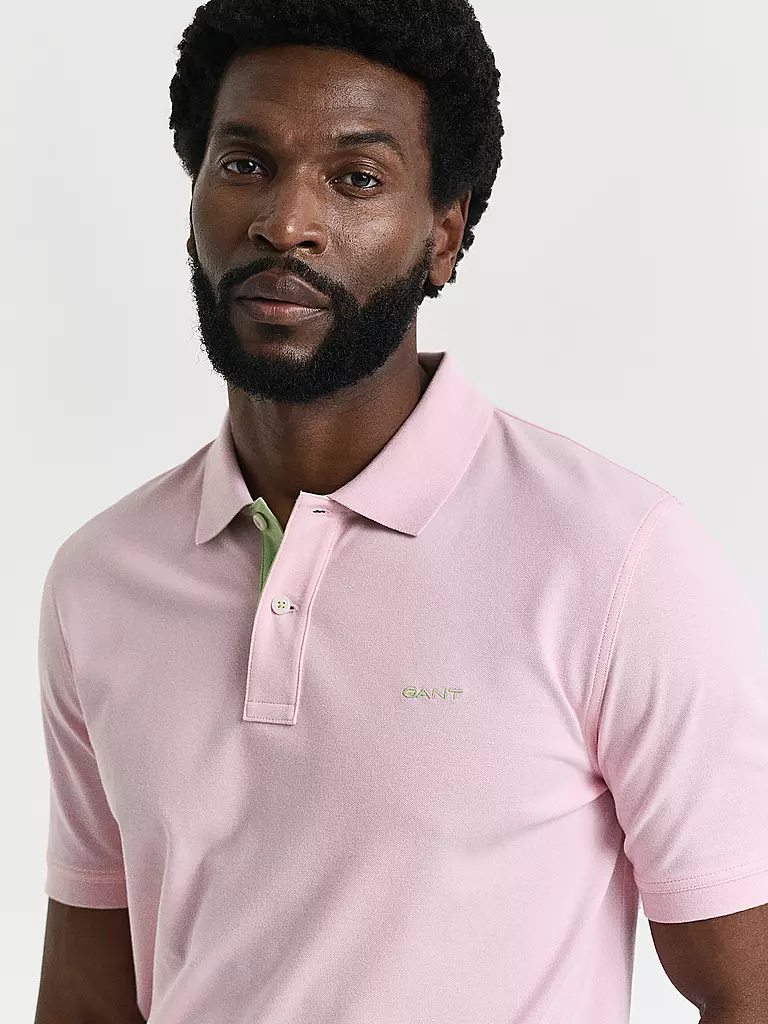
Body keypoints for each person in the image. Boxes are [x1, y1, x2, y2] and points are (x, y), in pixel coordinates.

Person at [34, 1, 768, 1022]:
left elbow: (748, 986)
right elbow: (86, 1001)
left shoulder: (618, 561)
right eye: (244, 163)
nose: (285, 221)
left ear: (443, 236)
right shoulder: (100, 578)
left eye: (356, 178)